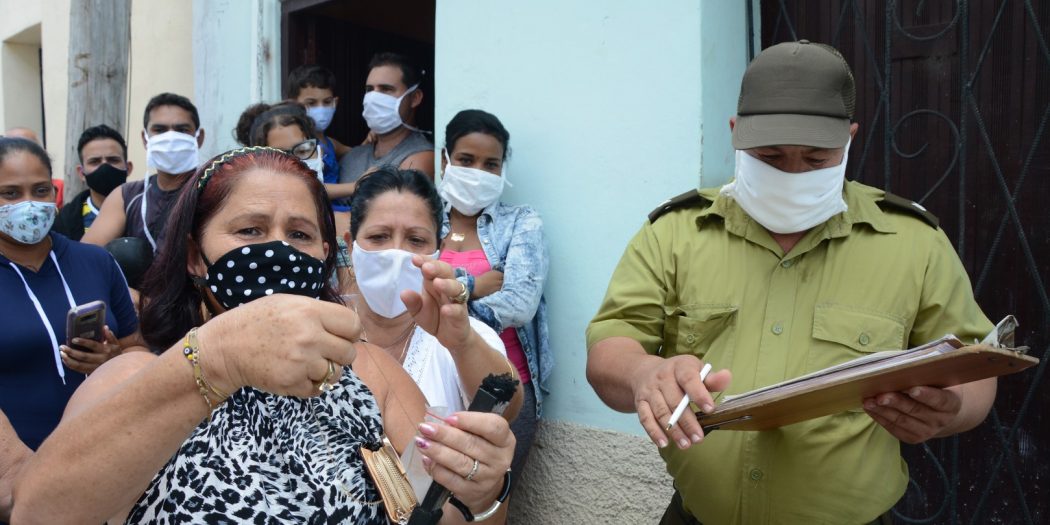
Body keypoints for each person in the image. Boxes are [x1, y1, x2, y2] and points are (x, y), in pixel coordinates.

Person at [585, 41, 997, 525]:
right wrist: (642, 375)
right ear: (736, 134)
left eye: (816, 158)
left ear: (850, 139)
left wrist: (948, 410)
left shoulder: (913, 242)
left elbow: (977, 368)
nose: (793, 172)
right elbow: (611, 346)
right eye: (771, 156)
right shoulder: (675, 232)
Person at [11, 147, 516, 525]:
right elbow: (39, 513)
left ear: (323, 252)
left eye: (298, 234)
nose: (277, 252)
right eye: (250, 231)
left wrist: (482, 490)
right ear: (193, 256)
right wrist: (218, 358)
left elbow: (439, 510)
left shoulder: (367, 371)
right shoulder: (135, 376)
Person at [347, 167, 523, 418]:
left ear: (438, 249)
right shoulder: (323, 329)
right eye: (378, 237)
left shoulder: (464, 335)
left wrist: (463, 344)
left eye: (416, 240)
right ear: (349, 244)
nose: (397, 253)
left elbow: (504, 411)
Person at [0, 137, 140, 451]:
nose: (29, 204)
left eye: (40, 190)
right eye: (10, 193)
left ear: (55, 192)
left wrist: (113, 360)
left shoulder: (96, 261)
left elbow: (137, 349)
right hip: (16, 471)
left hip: (109, 450)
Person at [436, 109, 550, 485]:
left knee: (489, 499)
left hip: (503, 384)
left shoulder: (522, 221)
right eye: (467, 161)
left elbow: (519, 302)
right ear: (445, 160)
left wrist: (446, 299)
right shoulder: (422, 219)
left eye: (491, 164)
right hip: (427, 376)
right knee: (423, 500)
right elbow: (399, 291)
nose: (479, 173)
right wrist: (476, 284)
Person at [82, 92, 205, 252]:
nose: (170, 138)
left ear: (199, 137)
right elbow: (85, 256)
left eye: (182, 129)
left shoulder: (217, 190)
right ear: (145, 138)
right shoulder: (126, 197)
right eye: (160, 130)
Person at [339, 52, 434, 184]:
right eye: (369, 89)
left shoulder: (420, 158)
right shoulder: (351, 157)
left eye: (385, 89)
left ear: (415, 98)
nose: (373, 98)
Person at [287, 64, 359, 212]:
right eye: (311, 103)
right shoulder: (303, 145)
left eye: (327, 102)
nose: (321, 108)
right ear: (293, 104)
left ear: (335, 102)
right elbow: (311, 187)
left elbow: (357, 153)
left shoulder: (330, 143)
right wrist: (355, 186)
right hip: (319, 212)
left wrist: (373, 138)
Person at [52, 125, 132, 241]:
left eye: (113, 160)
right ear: (81, 173)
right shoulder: (62, 223)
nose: (105, 166)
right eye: (95, 161)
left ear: (128, 168)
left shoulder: (146, 210)